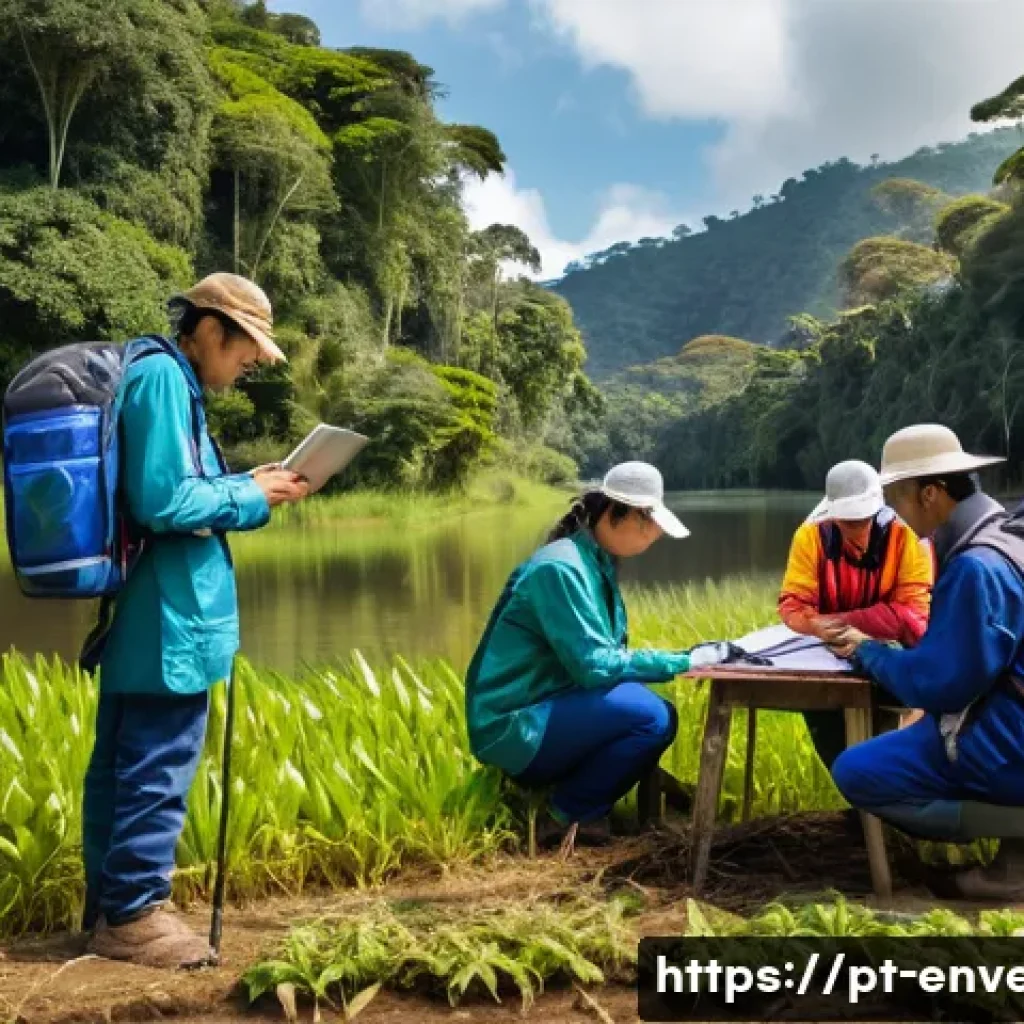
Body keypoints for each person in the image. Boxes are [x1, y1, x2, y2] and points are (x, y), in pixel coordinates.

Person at [84, 274, 310, 968]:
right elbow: (163, 502)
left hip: (159, 613)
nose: (248, 365)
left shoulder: (171, 384)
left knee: (127, 763)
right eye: (246, 350)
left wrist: (251, 483)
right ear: (211, 329)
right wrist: (251, 494)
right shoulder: (162, 381)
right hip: (167, 617)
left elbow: (185, 489)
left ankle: (111, 908)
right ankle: (132, 915)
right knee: (158, 762)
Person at [465, 461, 738, 854]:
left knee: (652, 710)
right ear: (616, 513)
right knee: (650, 717)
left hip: (548, 708)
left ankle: (582, 797)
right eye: (649, 523)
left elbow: (604, 658)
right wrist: (684, 661)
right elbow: (593, 665)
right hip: (514, 723)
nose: (655, 534)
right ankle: (565, 814)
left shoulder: (593, 562)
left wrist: (681, 660)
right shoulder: (561, 568)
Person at [827, 424, 1024, 900]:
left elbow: (941, 683)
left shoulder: (978, 566)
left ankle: (1016, 839)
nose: (891, 511)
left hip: (1009, 736)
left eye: (895, 496)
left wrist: (869, 650)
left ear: (930, 494)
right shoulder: (1009, 534)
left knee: (857, 771)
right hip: (1008, 714)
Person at [778, 459, 934, 768]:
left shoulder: (908, 537)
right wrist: (817, 626)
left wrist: (837, 622)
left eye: (865, 519)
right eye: (849, 522)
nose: (859, 530)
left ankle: (886, 799)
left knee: (890, 744)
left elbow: (913, 615)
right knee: (834, 741)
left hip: (896, 655)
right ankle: (859, 796)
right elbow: (792, 605)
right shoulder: (810, 537)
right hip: (827, 656)